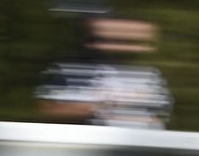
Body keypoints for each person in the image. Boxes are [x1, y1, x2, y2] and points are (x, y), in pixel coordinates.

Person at [36, 12, 174, 129]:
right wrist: (106, 105)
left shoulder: (150, 76)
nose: (123, 46)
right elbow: (49, 110)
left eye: (132, 41)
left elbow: (158, 119)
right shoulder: (67, 71)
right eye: (113, 39)